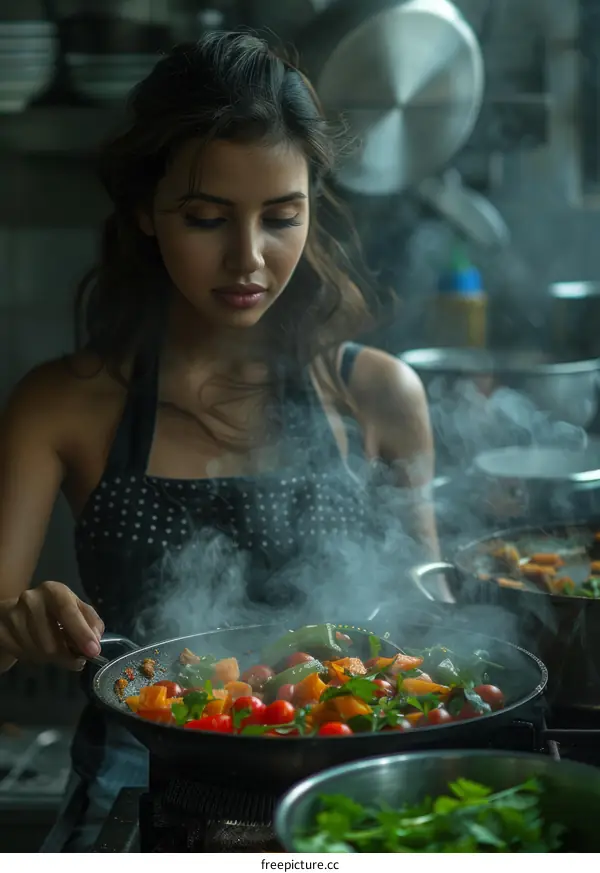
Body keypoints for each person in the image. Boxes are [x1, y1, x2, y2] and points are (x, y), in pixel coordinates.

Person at [0, 32, 438, 851]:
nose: (248, 259)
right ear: (144, 211)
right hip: (132, 810)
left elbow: (429, 633)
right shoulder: (64, 404)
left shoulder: (380, 395)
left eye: (281, 217)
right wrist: (15, 627)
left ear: (313, 202)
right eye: (206, 218)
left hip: (349, 806)